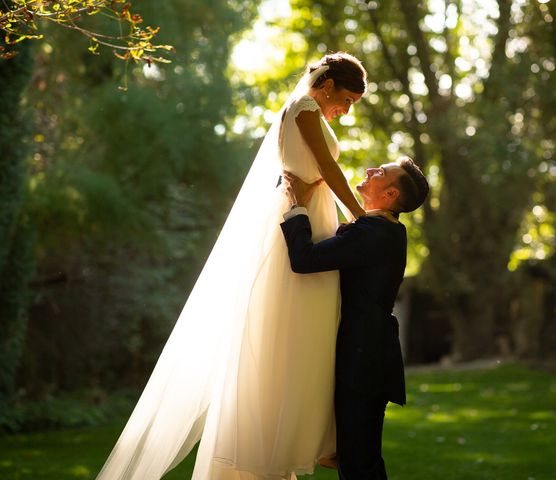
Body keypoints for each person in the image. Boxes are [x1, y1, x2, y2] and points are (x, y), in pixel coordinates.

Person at [97, 52, 367, 480]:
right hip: (304, 224)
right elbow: (329, 168)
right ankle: (279, 444)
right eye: (349, 99)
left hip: (312, 217)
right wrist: (359, 212)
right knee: (291, 329)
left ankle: (306, 437)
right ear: (329, 85)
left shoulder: (311, 112)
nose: (348, 110)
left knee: (310, 331)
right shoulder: (305, 110)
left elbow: (322, 171)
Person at [280, 157, 429, 480]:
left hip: (365, 362)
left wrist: (297, 206)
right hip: (369, 356)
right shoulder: (386, 230)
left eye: (381, 173)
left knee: (360, 465)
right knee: (354, 460)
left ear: (390, 195)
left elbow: (304, 259)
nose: (370, 170)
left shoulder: (374, 233)